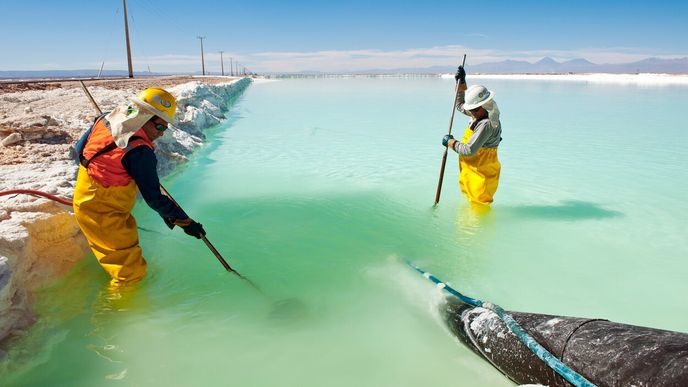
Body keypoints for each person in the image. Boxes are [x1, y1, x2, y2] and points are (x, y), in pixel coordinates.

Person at [72, 87, 206, 286]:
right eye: (160, 127)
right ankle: (117, 313)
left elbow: (79, 152)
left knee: (120, 256)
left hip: (86, 196)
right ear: (145, 117)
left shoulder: (106, 119)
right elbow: (154, 198)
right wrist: (187, 223)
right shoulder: (139, 152)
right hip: (104, 214)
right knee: (131, 275)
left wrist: (108, 170)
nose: (162, 134)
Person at [442, 66, 502, 205]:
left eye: (473, 110)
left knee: (479, 204)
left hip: (482, 171)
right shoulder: (482, 111)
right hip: (473, 169)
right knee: (471, 202)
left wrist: (450, 142)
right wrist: (461, 83)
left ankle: (477, 227)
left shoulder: (486, 124)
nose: (471, 112)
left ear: (483, 105)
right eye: (472, 109)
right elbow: (460, 105)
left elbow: (469, 150)